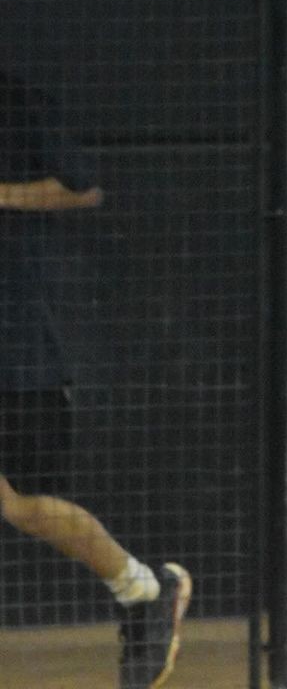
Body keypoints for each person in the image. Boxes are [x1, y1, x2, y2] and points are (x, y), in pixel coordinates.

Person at [0, 70, 192, 689]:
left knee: (26, 503)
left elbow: (82, 189)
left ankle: (144, 588)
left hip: (15, 348)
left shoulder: (15, 99)